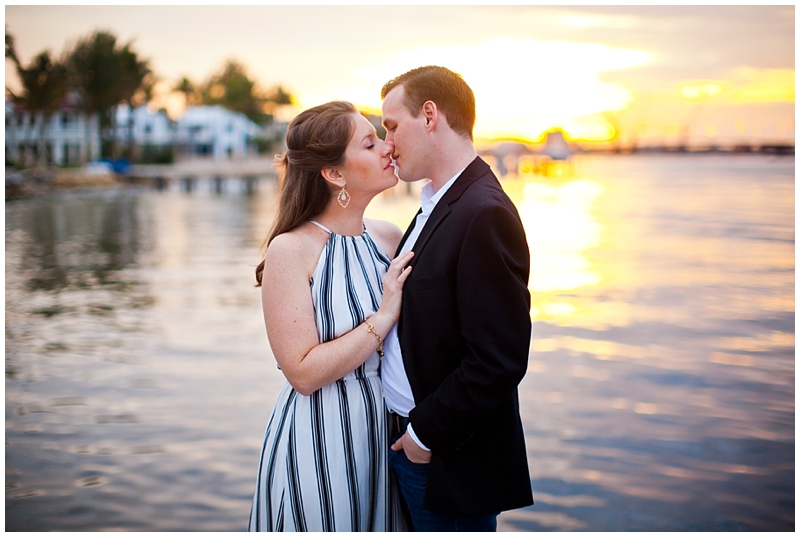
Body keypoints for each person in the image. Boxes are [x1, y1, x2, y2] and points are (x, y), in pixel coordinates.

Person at [379, 66, 534, 531]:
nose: (386, 142)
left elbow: (499, 359)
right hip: (415, 447)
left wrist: (423, 436)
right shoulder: (439, 202)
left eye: (391, 126)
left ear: (430, 116)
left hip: (443, 460)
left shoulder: (483, 212)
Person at [248, 101, 411, 532]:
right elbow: (301, 372)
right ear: (335, 174)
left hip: (384, 432)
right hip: (322, 434)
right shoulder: (291, 250)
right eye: (370, 142)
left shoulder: (389, 238)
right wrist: (385, 314)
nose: (387, 147)